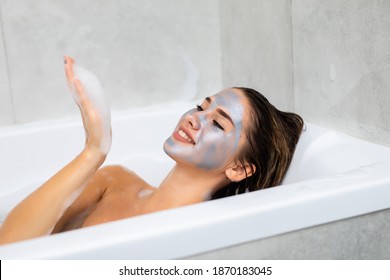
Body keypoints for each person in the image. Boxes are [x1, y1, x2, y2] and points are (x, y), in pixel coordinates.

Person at [0, 56, 304, 245]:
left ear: (239, 169)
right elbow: (9, 248)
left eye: (218, 124)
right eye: (201, 106)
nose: (193, 117)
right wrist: (93, 151)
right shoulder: (114, 181)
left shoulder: (198, 239)